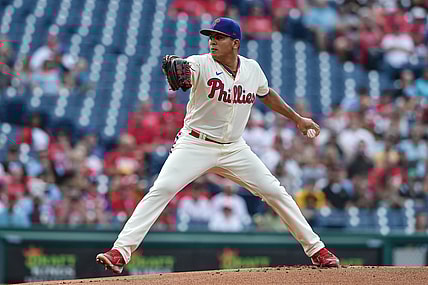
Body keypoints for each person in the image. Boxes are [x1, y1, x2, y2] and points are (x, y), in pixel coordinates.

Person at [96, 17, 340, 274]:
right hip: (195, 143)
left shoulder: (252, 69)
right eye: (211, 37)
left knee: (275, 192)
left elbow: (266, 93)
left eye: (219, 37)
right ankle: (120, 252)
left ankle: (317, 250)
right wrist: (185, 74)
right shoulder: (200, 63)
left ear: (235, 43)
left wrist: (297, 119)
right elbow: (187, 70)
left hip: (234, 148)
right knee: (162, 188)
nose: (212, 41)